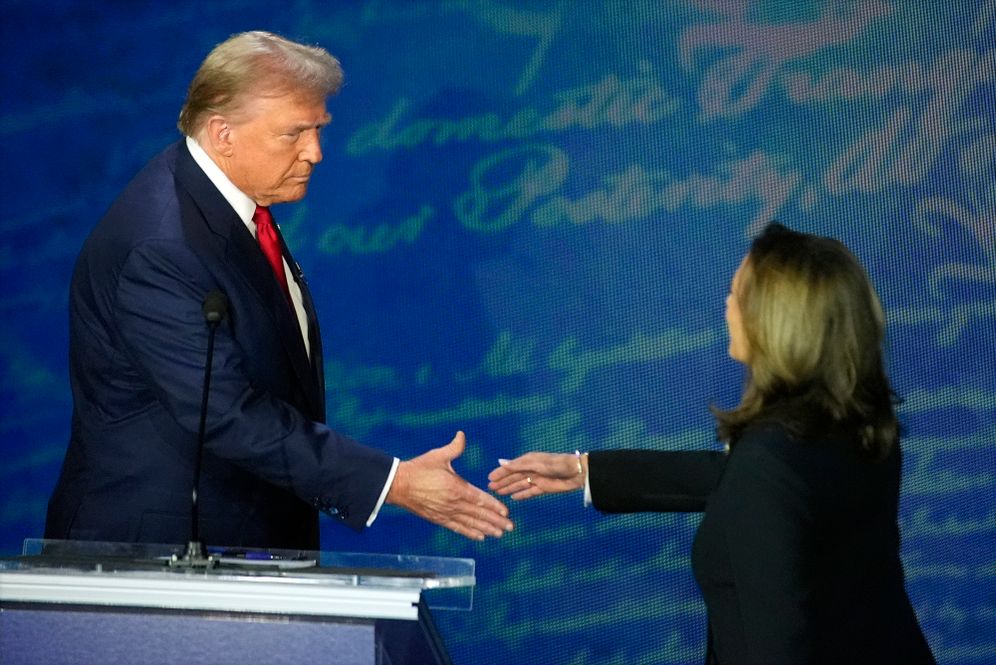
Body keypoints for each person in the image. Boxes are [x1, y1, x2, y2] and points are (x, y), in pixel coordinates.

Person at [45, 31, 513, 551]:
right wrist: (392, 483)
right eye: (294, 134)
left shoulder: (228, 207)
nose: (314, 152)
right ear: (223, 134)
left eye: (318, 129)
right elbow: (227, 413)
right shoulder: (163, 245)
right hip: (158, 556)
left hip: (235, 543)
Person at [489, 223, 935, 664]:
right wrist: (586, 471)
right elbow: (744, 483)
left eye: (738, 296)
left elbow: (779, 646)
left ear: (777, 324)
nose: (726, 306)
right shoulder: (858, 427)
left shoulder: (770, 461)